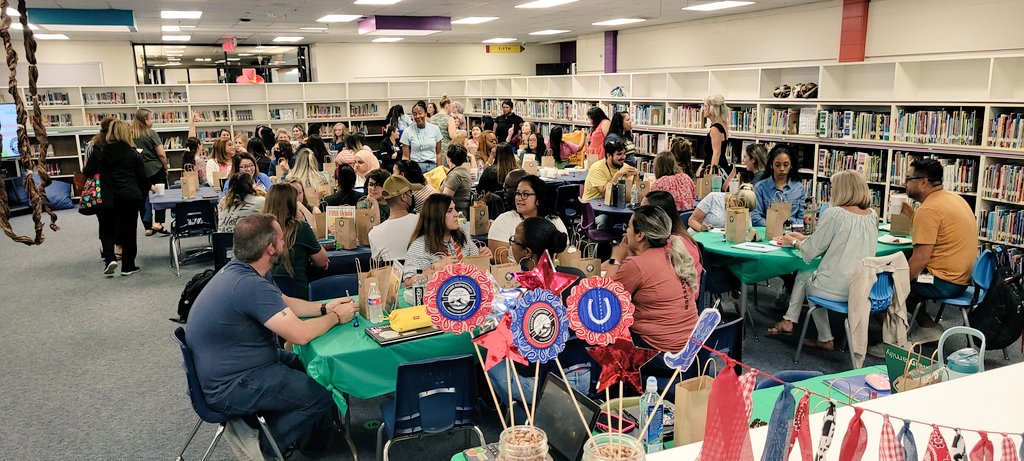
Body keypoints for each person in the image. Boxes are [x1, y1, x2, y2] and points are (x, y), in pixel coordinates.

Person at [186, 214, 358, 459]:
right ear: (270, 248)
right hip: (233, 383)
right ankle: (266, 447)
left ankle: (314, 443)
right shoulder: (250, 285)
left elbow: (286, 305)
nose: (285, 244)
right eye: (281, 239)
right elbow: (300, 335)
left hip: (232, 367)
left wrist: (326, 307)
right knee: (318, 396)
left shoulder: (246, 271)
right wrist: (336, 317)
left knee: (312, 367)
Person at [768, 170, 879, 351]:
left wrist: (794, 241)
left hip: (836, 289)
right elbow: (837, 242)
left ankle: (813, 332)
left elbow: (812, 251)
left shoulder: (834, 214)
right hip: (861, 287)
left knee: (805, 275)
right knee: (808, 276)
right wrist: (804, 238)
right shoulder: (872, 215)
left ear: (842, 190)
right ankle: (791, 322)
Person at [488, 217, 591, 405]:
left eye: (513, 241)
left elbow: (524, 357)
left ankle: (515, 408)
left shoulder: (527, 295)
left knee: (489, 356)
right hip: (585, 376)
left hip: (547, 384)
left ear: (526, 252)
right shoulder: (577, 276)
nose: (511, 245)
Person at [603, 206, 699, 354]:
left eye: (628, 226)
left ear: (640, 235)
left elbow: (605, 302)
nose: (625, 231)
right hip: (691, 350)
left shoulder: (636, 265)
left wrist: (616, 255)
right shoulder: (673, 253)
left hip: (658, 354)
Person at [902, 158, 979, 335]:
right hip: (964, 278)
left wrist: (895, 285)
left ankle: (898, 336)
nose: (904, 183)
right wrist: (911, 215)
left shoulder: (929, 209)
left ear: (923, 182)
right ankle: (925, 324)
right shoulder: (952, 198)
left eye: (908, 179)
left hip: (944, 282)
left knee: (885, 281)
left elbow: (920, 259)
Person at [83, 119, 150, 277]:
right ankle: (128, 265)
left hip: (107, 197)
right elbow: (143, 179)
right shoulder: (133, 153)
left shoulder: (100, 151)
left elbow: (87, 172)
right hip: (129, 197)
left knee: (106, 229)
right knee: (129, 231)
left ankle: (110, 258)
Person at [403, 194, 492, 283]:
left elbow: (476, 262)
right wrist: (434, 268)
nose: (456, 214)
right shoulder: (420, 245)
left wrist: (483, 256)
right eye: (450, 211)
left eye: (455, 209)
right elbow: (409, 282)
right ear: (436, 216)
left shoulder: (461, 236)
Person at [263, 184, 329, 299]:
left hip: (266, 296)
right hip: (298, 297)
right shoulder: (300, 228)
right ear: (292, 204)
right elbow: (322, 261)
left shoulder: (259, 228)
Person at [488, 174, 568, 258]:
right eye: (518, 193)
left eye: (525, 194)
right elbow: (500, 260)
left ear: (538, 199)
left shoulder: (554, 220)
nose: (519, 198)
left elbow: (564, 255)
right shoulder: (503, 221)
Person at [642, 190, 702, 288]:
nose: (638, 216)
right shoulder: (680, 237)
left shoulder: (674, 246)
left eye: (644, 211)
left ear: (657, 217)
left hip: (680, 297)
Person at [131, 108, 170, 236]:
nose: (152, 121)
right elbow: (161, 154)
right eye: (151, 118)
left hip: (139, 171)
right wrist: (165, 167)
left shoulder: (130, 135)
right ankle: (158, 223)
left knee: (143, 199)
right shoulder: (151, 133)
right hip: (155, 169)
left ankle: (148, 227)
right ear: (145, 120)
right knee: (160, 195)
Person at [369, 176, 421, 262]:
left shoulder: (373, 234)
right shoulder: (423, 221)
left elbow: (377, 265)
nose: (412, 196)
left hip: (389, 275)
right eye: (410, 192)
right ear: (403, 196)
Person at [751, 146, 805, 226]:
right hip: (768, 232)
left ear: (791, 165)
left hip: (790, 233)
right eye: (777, 165)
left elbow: (801, 219)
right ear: (771, 165)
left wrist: (788, 227)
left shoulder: (799, 188)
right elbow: (755, 217)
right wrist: (773, 227)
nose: (782, 169)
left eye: (786, 165)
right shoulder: (760, 187)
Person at [688, 183, 756, 231]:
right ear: (734, 199)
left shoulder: (746, 207)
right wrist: (701, 228)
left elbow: (748, 228)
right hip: (699, 238)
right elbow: (692, 220)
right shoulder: (713, 198)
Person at [401, 104, 444, 173]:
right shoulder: (407, 131)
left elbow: (438, 153)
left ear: (426, 113)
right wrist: (406, 171)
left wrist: (439, 170)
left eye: (420, 113)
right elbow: (405, 156)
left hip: (432, 167)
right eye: (415, 114)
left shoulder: (435, 129)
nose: (417, 116)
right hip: (415, 168)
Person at [701, 94, 732, 172]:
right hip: (720, 167)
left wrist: (711, 175)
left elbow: (716, 153)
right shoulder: (723, 124)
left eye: (705, 106)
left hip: (716, 170)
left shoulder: (715, 128)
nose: (703, 109)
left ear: (712, 108)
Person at [442, 144, 473, 216]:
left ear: (449, 158)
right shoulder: (462, 171)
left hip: (457, 215)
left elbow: (444, 199)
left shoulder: (455, 175)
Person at [430, 94, 459, 162]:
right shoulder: (449, 119)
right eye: (452, 106)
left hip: (433, 149)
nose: (452, 109)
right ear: (447, 106)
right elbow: (453, 136)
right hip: (445, 150)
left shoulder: (432, 118)